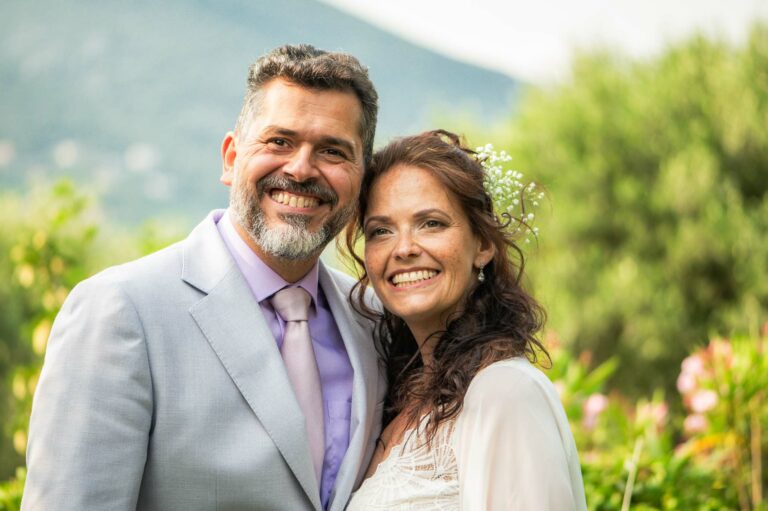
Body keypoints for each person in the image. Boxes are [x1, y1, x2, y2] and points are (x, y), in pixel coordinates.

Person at [23, 44, 385, 511]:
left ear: (361, 179)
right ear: (232, 158)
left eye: (333, 151)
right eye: (279, 141)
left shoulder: (374, 319)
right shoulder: (120, 310)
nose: (300, 168)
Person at [343, 130, 588, 510]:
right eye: (381, 230)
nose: (404, 248)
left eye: (432, 223)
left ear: (483, 244)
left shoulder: (503, 393)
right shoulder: (399, 401)